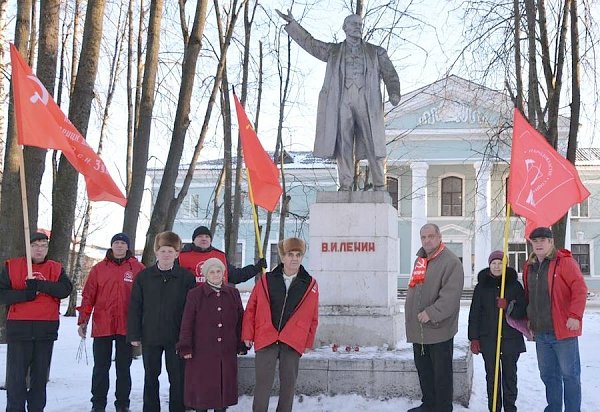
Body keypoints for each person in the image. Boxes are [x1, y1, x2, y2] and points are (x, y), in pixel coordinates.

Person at [275, 10, 401, 191]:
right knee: (344, 144)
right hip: (342, 102)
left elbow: (391, 74)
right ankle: (346, 184)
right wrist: (293, 25)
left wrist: (394, 92)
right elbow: (312, 44)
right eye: (354, 24)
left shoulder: (376, 52)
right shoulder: (334, 51)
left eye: (360, 24)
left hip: (368, 103)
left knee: (375, 143)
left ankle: (380, 185)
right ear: (345, 28)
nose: (358, 27)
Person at [242, 237, 319, 412]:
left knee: (288, 385)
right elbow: (251, 308)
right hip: (267, 336)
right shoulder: (266, 280)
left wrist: (308, 341)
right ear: (283, 257)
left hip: (292, 339)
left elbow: (313, 316)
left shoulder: (310, 283)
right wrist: (247, 334)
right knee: (262, 385)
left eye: (298, 254)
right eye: (290, 254)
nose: (294, 258)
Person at [0, 232, 73, 412]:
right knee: (16, 379)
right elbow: (2, 294)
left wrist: (40, 285)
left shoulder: (56, 268)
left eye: (43, 246)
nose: (39, 249)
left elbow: (65, 289)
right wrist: (25, 294)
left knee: (39, 379)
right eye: (35, 245)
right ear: (28, 247)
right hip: (20, 329)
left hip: (45, 329)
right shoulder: (12, 266)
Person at [127, 231, 197, 412]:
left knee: (177, 377)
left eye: (170, 251)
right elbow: (135, 306)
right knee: (151, 376)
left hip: (176, 336)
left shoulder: (186, 278)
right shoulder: (144, 277)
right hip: (151, 335)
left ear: (177, 254)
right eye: (163, 250)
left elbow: (192, 310)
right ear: (157, 252)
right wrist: (134, 333)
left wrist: (189, 336)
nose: (166, 254)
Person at [77, 232, 145, 412]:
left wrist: (141, 325)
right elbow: (88, 295)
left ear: (128, 246)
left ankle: (122, 404)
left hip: (126, 326)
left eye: (123, 243)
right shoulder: (98, 269)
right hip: (103, 325)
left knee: (124, 369)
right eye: (117, 242)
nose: (120, 246)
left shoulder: (137, 268)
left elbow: (147, 298)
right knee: (101, 368)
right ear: (111, 245)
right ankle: (98, 404)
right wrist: (83, 320)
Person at [523, 226, 587, 412]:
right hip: (541, 332)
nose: (539, 244)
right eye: (535, 241)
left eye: (543, 240)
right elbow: (530, 295)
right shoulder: (530, 266)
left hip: (563, 332)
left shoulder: (564, 262)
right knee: (548, 375)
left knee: (570, 375)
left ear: (551, 242)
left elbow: (580, 289)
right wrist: (529, 318)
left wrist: (575, 315)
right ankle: (554, 408)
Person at [404, 223, 464, 412]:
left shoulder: (451, 261)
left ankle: (443, 408)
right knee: (425, 371)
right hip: (419, 329)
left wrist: (431, 313)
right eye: (423, 237)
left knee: (441, 374)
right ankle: (429, 404)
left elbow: (451, 296)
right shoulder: (420, 260)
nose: (427, 240)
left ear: (439, 237)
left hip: (439, 329)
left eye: (431, 236)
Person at [177, 258, 245, 412]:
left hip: (226, 351)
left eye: (218, 271)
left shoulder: (233, 293)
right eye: (212, 272)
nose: (215, 275)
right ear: (206, 275)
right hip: (202, 352)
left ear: (223, 273)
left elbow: (241, 319)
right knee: (203, 392)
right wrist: (185, 346)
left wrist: (241, 343)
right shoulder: (195, 295)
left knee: (222, 394)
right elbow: (187, 322)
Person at [468, 251, 527, 412]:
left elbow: (523, 310)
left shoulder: (514, 285)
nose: (497, 266)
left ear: (505, 265)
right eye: (494, 263)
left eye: (500, 263)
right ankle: (494, 408)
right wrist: (474, 338)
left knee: (509, 377)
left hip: (510, 339)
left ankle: (510, 408)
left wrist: (508, 306)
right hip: (489, 340)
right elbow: (475, 313)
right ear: (489, 265)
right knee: (492, 378)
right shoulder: (482, 287)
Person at [178, 225, 266, 284]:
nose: (204, 239)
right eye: (200, 236)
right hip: (191, 303)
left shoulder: (219, 256)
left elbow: (235, 276)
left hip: (217, 301)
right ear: (193, 240)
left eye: (207, 236)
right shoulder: (182, 257)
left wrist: (256, 268)